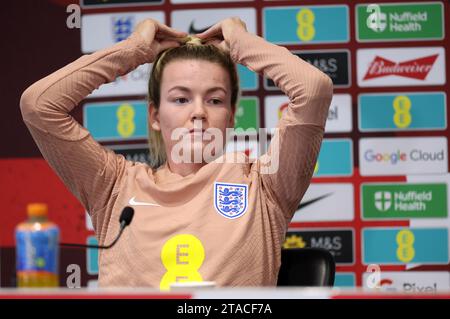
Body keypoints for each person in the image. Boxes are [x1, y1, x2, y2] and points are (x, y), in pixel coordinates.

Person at [20, 17, 333, 289]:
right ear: (155, 116)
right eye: (181, 99)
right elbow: (39, 106)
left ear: (231, 115)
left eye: (214, 100)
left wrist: (243, 43)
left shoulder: (265, 185)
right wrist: (133, 50)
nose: (198, 112)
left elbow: (313, 88)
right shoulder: (112, 185)